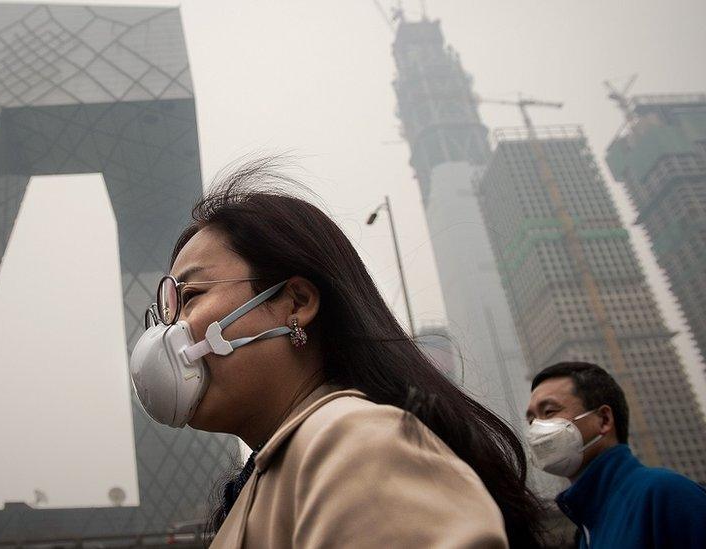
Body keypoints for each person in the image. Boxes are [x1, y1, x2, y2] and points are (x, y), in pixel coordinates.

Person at [128, 158, 545, 548]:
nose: (170, 332)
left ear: (296, 303)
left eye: (192, 295)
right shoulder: (268, 479)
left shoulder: (357, 444)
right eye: (167, 311)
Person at [526, 361, 706, 548]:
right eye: (531, 420)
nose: (537, 428)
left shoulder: (665, 494)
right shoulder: (586, 530)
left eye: (549, 411)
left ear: (604, 420)